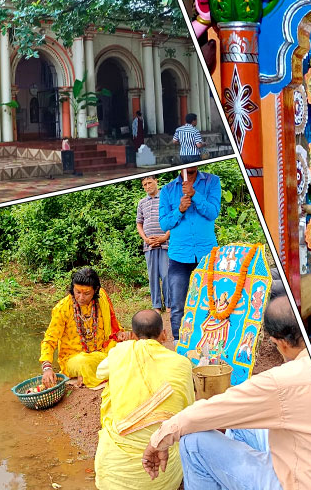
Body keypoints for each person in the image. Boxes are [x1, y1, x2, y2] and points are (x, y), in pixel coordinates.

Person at [142, 296, 311, 490]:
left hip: (301, 481)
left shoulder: (282, 381)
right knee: (240, 424)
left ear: (279, 343)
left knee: (193, 443)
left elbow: (211, 411)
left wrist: (159, 438)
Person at [94, 310, 195, 490]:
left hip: (113, 477)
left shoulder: (121, 352)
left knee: (112, 385)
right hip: (164, 476)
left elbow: (100, 372)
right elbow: (188, 409)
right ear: (164, 335)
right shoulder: (182, 364)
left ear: (132, 336)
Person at [159, 165, 221, 341]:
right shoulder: (167, 190)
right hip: (179, 256)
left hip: (207, 254)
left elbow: (213, 212)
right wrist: (179, 210)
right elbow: (164, 224)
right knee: (177, 303)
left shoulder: (212, 182)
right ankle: (180, 344)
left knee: (211, 301)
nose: (189, 164)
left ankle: (211, 341)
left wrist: (195, 194)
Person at [40, 267, 128, 389]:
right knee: (84, 363)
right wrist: (47, 368)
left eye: (86, 293)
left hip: (101, 350)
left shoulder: (101, 298)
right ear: (73, 288)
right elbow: (50, 340)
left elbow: (112, 322)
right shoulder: (63, 308)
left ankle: (88, 374)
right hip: (74, 358)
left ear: (96, 290)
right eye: (77, 292)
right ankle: (88, 372)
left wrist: (118, 332)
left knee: (126, 347)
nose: (81, 297)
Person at [137, 176, 171, 312]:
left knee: (166, 274)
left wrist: (165, 236)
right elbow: (139, 223)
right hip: (149, 245)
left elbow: (173, 218)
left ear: (156, 181)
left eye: (149, 182)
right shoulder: (142, 202)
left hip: (165, 243)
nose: (147, 186)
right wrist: (145, 239)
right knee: (152, 276)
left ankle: (169, 304)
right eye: (144, 184)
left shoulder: (166, 198)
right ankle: (156, 305)